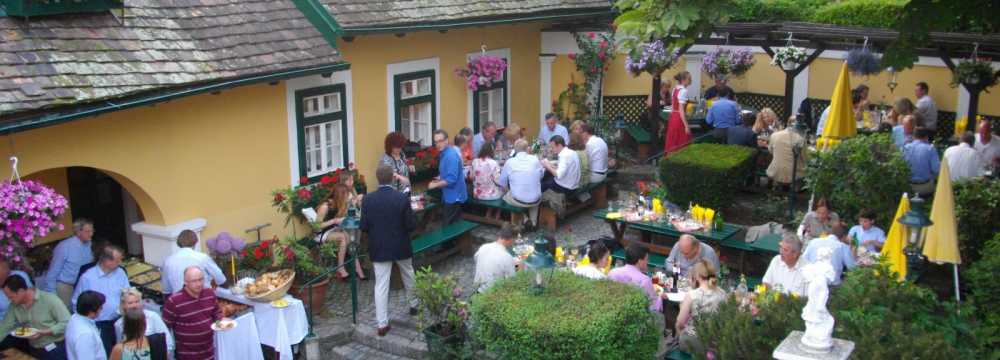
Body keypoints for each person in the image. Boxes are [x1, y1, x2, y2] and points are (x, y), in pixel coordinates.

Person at [361, 166, 418, 337]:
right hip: (400, 245)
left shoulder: (368, 200)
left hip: (379, 246)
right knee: (409, 274)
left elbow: (363, 226)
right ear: (393, 179)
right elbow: (411, 225)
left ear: (378, 179)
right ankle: (414, 305)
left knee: (381, 284)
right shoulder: (401, 198)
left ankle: (382, 323)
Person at [72, 245, 129, 355]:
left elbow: (127, 291)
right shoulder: (87, 278)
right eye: (118, 260)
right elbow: (76, 303)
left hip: (120, 320)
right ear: (107, 261)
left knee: (123, 352)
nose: (120, 263)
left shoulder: (120, 272)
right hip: (100, 324)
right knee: (106, 352)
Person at [161, 267, 225, 360]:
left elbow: (216, 314)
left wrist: (222, 321)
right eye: (194, 281)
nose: (199, 284)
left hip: (209, 353)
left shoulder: (209, 294)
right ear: (185, 282)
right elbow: (164, 328)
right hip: (187, 356)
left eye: (201, 279)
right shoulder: (174, 301)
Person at [0, 275, 69, 359]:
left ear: (21, 291)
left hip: (55, 348)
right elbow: (5, 326)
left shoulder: (50, 300)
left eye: (11, 297)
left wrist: (45, 332)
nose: (9, 300)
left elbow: (67, 323)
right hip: (33, 349)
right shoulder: (14, 306)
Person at [313, 183, 366, 281]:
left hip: (332, 230)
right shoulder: (325, 206)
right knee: (343, 237)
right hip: (321, 234)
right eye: (346, 196)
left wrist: (353, 202)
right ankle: (340, 268)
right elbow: (316, 226)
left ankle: (358, 269)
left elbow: (348, 217)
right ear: (340, 195)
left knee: (349, 238)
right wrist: (334, 221)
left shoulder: (339, 204)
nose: (347, 198)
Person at [675, 259, 726, 355]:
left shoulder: (692, 294)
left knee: (677, 329)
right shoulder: (722, 293)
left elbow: (680, 322)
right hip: (714, 343)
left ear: (698, 276)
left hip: (694, 342)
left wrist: (682, 308)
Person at [44, 218, 95, 307]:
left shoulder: (90, 244)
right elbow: (53, 272)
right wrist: (52, 295)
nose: (91, 234)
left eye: (92, 231)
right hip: (66, 287)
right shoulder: (64, 246)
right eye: (88, 231)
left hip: (83, 285)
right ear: (78, 232)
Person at [160, 230, 226, 296]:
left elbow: (166, 290)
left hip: (179, 301)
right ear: (195, 242)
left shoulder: (168, 261)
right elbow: (220, 279)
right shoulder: (203, 257)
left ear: (179, 243)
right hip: (202, 299)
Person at [113, 288, 171, 360]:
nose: (134, 305)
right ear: (123, 305)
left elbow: (167, 341)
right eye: (130, 303)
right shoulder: (118, 324)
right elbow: (120, 343)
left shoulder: (153, 316)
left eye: (137, 302)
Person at [499, 139, 544, 228]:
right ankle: (533, 222)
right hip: (536, 199)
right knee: (534, 195)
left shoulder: (510, 162)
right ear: (527, 149)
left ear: (515, 149)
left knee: (506, 196)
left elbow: (502, 182)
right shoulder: (534, 159)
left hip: (518, 200)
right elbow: (541, 176)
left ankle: (525, 218)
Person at [428, 129, 467, 225]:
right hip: (450, 194)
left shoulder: (450, 155)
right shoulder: (444, 153)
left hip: (454, 196)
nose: (438, 144)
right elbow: (450, 171)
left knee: (448, 226)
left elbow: (451, 179)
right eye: (436, 142)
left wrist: (435, 185)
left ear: (447, 140)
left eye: (440, 141)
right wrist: (440, 177)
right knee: (454, 224)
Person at [609, 245, 664, 313]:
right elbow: (653, 306)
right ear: (640, 261)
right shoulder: (645, 280)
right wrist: (660, 295)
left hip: (613, 310)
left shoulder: (613, 272)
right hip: (635, 316)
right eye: (646, 259)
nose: (648, 262)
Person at [473, 224, 518, 293]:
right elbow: (512, 280)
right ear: (511, 239)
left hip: (478, 287)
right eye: (515, 239)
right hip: (492, 294)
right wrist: (520, 268)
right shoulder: (507, 257)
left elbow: (477, 259)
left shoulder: (484, 247)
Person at [66, 290, 107, 360]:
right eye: (100, 308)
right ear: (91, 311)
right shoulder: (85, 334)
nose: (102, 309)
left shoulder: (74, 318)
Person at [766, 117, 809, 185]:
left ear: (787, 123)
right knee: (807, 169)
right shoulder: (801, 139)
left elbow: (770, 151)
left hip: (775, 171)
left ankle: (773, 187)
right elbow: (805, 158)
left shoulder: (774, 135)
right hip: (794, 174)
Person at [903, 128, 940, 196]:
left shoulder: (905, 148)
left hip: (908, 187)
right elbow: (936, 170)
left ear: (913, 137)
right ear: (926, 137)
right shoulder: (930, 148)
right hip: (926, 187)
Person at [471, 142, 503, 220]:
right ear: (492, 151)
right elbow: (498, 181)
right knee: (503, 190)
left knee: (491, 187)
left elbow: (471, 177)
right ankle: (497, 214)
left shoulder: (475, 161)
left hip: (478, 194)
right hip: (491, 195)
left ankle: (489, 212)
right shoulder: (494, 163)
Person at [665, 71, 693, 153]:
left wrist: (672, 118)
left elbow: (673, 107)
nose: (690, 80)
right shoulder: (684, 91)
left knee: (673, 139)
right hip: (679, 119)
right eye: (689, 78)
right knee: (682, 140)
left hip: (673, 116)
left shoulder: (675, 89)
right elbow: (681, 109)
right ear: (683, 80)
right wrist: (686, 125)